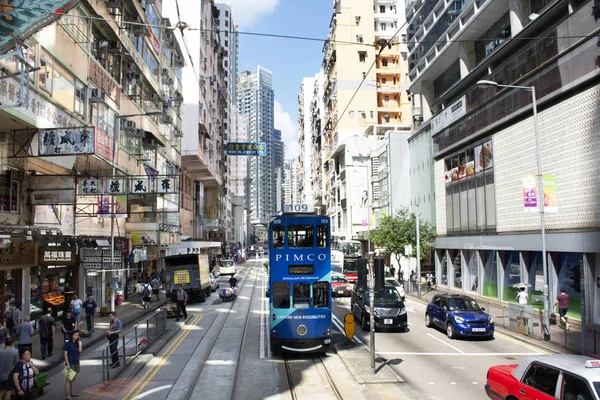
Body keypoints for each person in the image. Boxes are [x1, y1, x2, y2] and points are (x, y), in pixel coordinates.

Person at [63, 331, 82, 399]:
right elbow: (65, 354)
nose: (77, 336)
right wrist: (68, 364)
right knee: (68, 379)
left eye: (78, 335)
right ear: (72, 335)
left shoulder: (77, 343)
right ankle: (67, 395)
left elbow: (80, 350)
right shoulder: (67, 344)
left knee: (74, 378)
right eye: (75, 335)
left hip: (76, 361)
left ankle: (73, 392)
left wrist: (79, 342)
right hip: (70, 363)